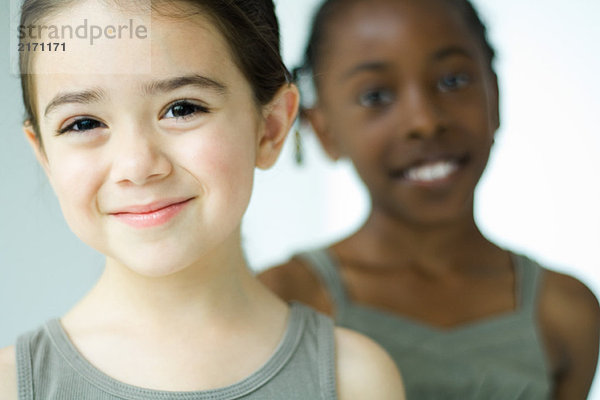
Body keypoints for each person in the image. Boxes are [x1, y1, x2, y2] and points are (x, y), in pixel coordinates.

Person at [0, 1, 406, 399]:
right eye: (83, 123)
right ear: (45, 157)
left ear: (270, 128)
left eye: (182, 108)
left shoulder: (353, 380)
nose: (137, 166)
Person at [259, 0, 600, 398]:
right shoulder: (281, 302)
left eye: (453, 81)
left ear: (496, 93)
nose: (425, 120)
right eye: (375, 97)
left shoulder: (564, 312)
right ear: (323, 130)